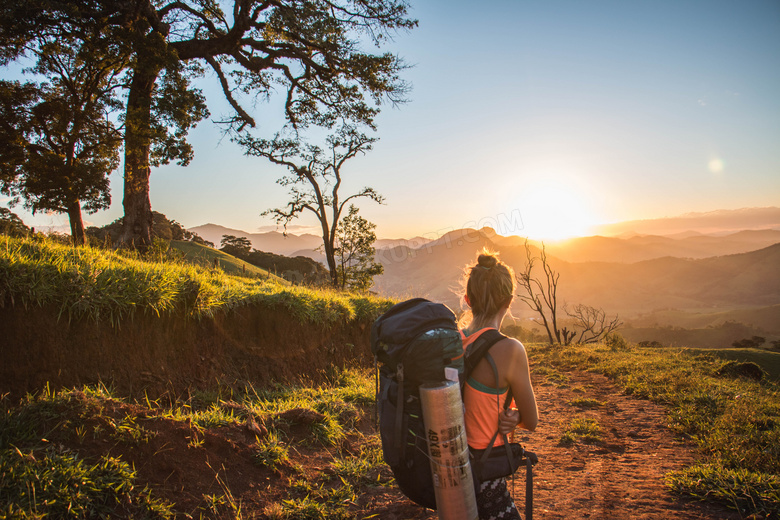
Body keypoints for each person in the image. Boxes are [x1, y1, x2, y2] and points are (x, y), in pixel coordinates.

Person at [461, 250, 539, 520]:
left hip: (452, 468)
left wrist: (513, 414)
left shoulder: (452, 341)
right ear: (509, 301)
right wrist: (516, 417)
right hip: (485, 471)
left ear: (468, 299)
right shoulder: (510, 349)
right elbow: (532, 420)